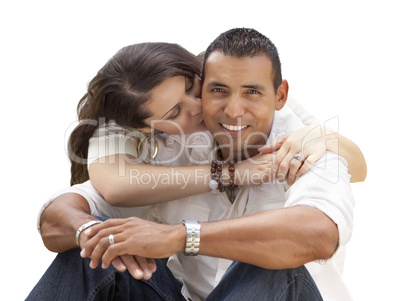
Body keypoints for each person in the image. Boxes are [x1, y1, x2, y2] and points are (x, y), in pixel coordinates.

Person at [28, 29, 364, 301]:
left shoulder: (305, 143)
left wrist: (180, 237)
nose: (233, 110)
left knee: (275, 258)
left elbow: (318, 233)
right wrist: (90, 233)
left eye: (194, 89)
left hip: (281, 293)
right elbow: (62, 212)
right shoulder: (170, 145)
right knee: (92, 251)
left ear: (279, 95)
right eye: (217, 90)